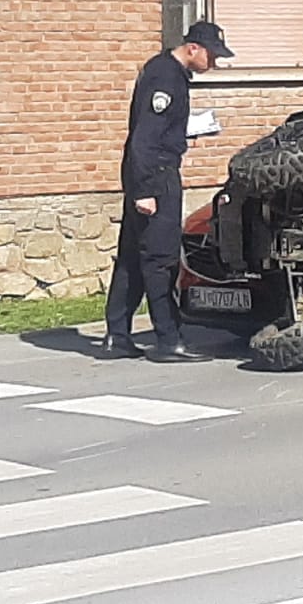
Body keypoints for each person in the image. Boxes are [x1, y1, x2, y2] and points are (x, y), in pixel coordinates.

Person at [101, 20, 234, 362]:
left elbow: (158, 131)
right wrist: (145, 190)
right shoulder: (167, 77)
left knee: (132, 257)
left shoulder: (162, 69)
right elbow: (145, 137)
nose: (214, 64)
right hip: (156, 177)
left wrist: (181, 136)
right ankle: (168, 340)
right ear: (193, 48)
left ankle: (117, 335)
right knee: (161, 260)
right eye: (212, 56)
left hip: (147, 172)